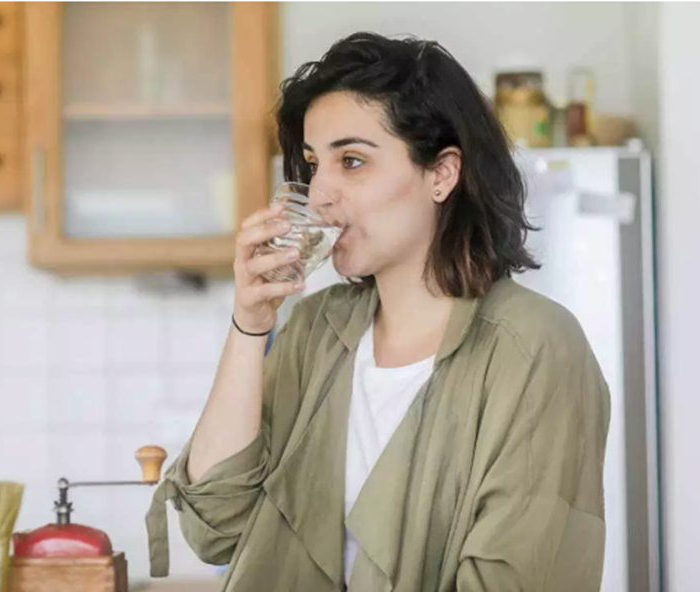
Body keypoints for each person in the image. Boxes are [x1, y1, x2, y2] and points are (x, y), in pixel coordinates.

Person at [146, 32, 610, 592]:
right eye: (313, 164)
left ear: (441, 174)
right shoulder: (314, 329)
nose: (320, 193)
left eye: (352, 161)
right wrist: (250, 324)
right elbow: (214, 525)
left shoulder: (535, 347)